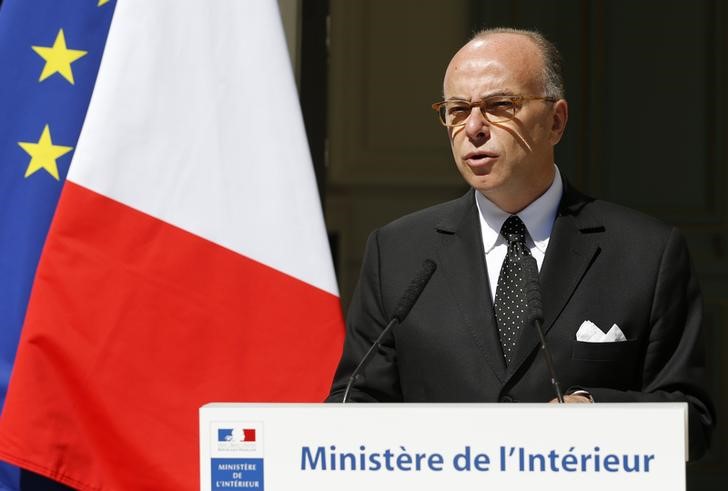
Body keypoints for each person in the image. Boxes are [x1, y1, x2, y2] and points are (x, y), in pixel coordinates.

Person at [326, 27, 714, 460]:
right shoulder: (397, 252)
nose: (473, 128)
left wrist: (597, 411)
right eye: (456, 110)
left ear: (556, 121)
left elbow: (691, 419)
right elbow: (354, 406)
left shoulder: (647, 253)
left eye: (499, 106)